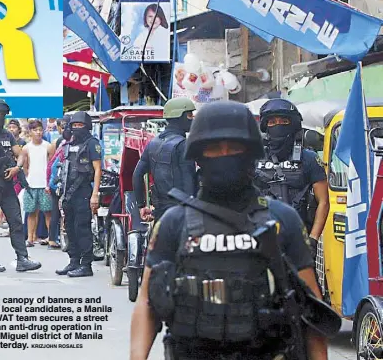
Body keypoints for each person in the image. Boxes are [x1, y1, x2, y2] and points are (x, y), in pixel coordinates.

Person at [130, 101, 329, 360]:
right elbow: (146, 304)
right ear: (199, 155)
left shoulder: (283, 220)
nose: (224, 154)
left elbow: (310, 311)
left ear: (250, 153)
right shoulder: (173, 223)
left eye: (234, 147)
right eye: (214, 148)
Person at [0, 98, 41, 273]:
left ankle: (22, 259)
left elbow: (20, 154)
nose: (0, 117)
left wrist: (16, 168)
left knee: (16, 221)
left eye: (2, 114)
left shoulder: (7, 135)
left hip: (7, 183)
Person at [254, 98, 329, 255]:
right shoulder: (255, 157)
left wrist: (313, 240)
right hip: (261, 241)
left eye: (284, 120)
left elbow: (323, 201)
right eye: (272, 122)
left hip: (298, 242)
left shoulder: (308, 158)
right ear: (265, 126)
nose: (277, 125)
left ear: (293, 124)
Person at [133, 97, 198, 223]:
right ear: (180, 116)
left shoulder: (152, 144)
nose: (192, 119)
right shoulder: (183, 145)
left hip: (160, 213)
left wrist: (141, 205)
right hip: (181, 214)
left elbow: (137, 175)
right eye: (190, 115)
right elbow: (188, 180)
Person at [56, 111, 102, 277]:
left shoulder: (92, 144)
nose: (76, 128)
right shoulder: (68, 144)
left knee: (82, 228)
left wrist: (95, 194)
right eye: (74, 125)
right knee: (69, 228)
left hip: (83, 191)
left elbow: (97, 169)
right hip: (68, 193)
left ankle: (86, 265)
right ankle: (74, 261)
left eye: (79, 125)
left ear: (87, 126)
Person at [22, 119, 54, 247]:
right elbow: (25, 167)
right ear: (30, 132)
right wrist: (28, 180)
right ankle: (30, 238)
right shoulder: (26, 148)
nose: (38, 132)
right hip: (31, 184)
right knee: (31, 212)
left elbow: (52, 165)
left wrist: (49, 182)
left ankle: (50, 237)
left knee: (48, 212)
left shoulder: (48, 146)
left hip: (45, 184)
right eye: (35, 130)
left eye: (40, 130)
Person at [45, 114, 72, 249]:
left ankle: (52, 239)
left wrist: (48, 181)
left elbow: (51, 164)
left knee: (56, 210)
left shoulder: (60, 142)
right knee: (62, 210)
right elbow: (53, 163)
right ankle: (57, 238)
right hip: (62, 181)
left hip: (56, 181)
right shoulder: (64, 142)